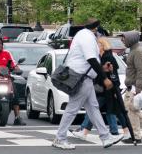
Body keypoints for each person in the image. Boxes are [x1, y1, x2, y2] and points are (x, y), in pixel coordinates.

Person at [52, 19, 122, 150]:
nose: (100, 35)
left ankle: (105, 137)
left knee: (93, 108)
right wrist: (104, 78)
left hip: (84, 78)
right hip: (81, 78)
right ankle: (60, 138)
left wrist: (102, 68)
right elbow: (91, 59)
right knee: (73, 109)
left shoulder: (83, 35)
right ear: (96, 29)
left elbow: (87, 60)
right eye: (100, 31)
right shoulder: (87, 37)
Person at [70, 37, 123, 140]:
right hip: (104, 89)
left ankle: (84, 130)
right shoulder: (100, 56)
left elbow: (112, 73)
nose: (96, 47)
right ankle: (114, 131)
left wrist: (105, 71)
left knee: (94, 109)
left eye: (98, 45)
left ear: (103, 46)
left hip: (107, 88)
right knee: (109, 110)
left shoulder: (108, 57)